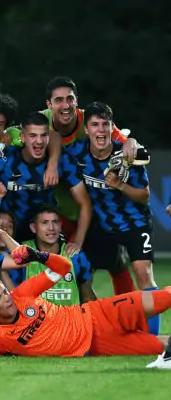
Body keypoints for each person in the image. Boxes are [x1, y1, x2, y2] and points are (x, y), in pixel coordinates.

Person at [0, 244, 170, 358]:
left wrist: (39, 256)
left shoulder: (22, 294)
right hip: (97, 345)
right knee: (162, 346)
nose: (7, 298)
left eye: (4, 292)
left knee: (163, 298)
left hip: (98, 314)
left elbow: (64, 267)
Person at [66, 102, 158, 333]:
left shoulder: (129, 154)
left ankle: (153, 341)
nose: (100, 130)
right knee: (81, 273)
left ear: (111, 127)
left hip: (135, 223)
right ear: (87, 129)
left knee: (144, 275)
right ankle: (98, 329)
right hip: (103, 225)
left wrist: (120, 185)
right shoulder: (76, 153)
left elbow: (144, 196)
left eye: (105, 124)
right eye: (95, 125)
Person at [0, 111, 92, 252]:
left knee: (69, 257)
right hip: (11, 228)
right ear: (23, 137)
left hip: (45, 231)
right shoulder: (6, 158)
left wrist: (77, 242)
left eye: (43, 135)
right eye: (33, 136)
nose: (39, 141)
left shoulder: (62, 161)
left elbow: (85, 203)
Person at [16, 205, 96, 305]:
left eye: (55, 222)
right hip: (33, 315)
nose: (51, 228)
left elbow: (88, 297)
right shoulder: (22, 253)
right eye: (45, 222)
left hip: (71, 315)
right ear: (33, 228)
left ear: (60, 225)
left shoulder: (76, 257)